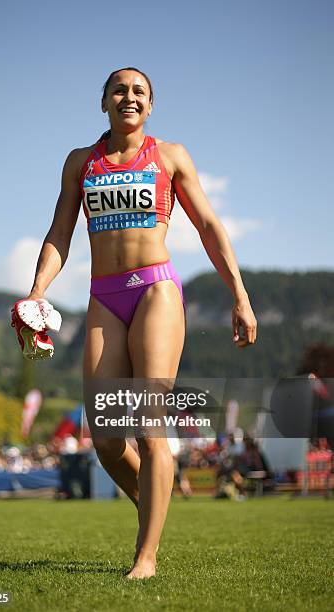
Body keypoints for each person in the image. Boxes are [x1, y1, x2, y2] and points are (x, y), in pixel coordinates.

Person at [25, 67, 257, 579]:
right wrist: (37, 292)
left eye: (139, 92)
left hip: (156, 290)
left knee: (150, 428)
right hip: (104, 298)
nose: (129, 98)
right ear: (103, 102)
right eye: (119, 91)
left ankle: (145, 557)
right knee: (107, 437)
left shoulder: (170, 155)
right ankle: (153, 500)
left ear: (150, 106)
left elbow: (211, 228)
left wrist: (239, 295)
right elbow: (60, 230)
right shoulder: (79, 162)